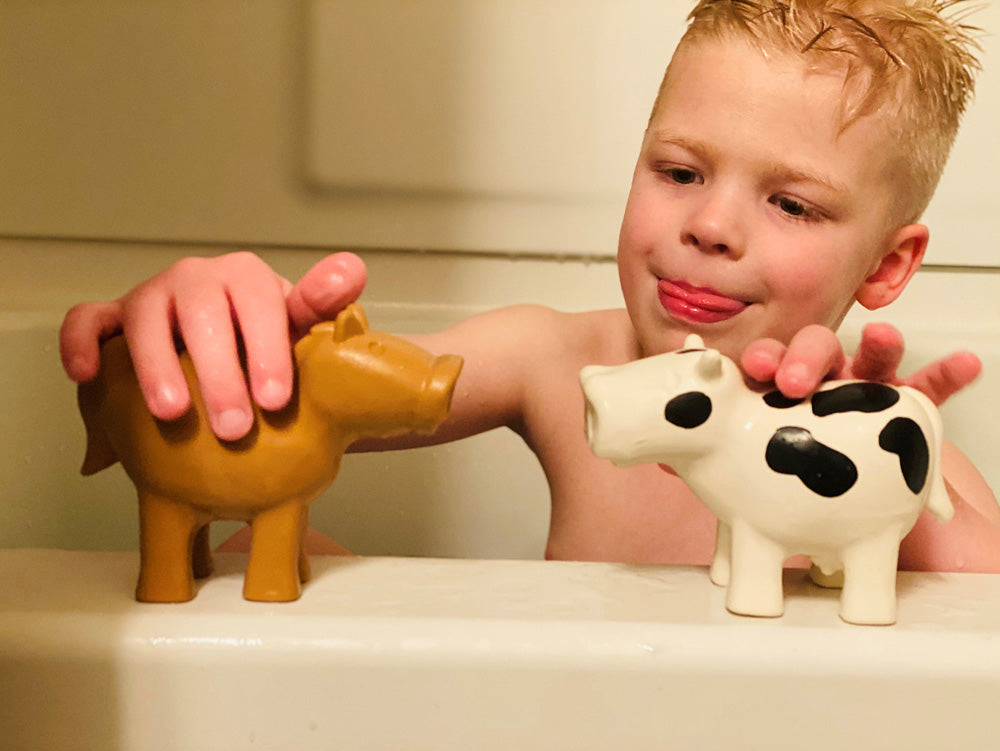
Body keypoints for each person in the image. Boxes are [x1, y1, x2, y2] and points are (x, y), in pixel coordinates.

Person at [60, 0, 1000, 570]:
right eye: (679, 171)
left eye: (791, 204)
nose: (709, 225)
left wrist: (901, 490)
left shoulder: (876, 432)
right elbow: (314, 401)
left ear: (885, 266)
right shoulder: (556, 358)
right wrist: (208, 327)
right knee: (268, 556)